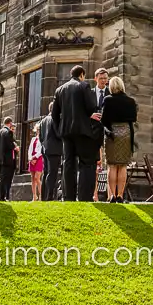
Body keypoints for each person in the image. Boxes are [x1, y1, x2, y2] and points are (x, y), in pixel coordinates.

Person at [52, 65, 103, 202]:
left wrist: (59, 131)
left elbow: (54, 115)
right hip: (82, 131)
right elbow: (91, 107)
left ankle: (68, 196)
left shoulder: (59, 90)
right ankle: (84, 196)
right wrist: (89, 116)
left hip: (66, 133)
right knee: (86, 163)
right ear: (82, 75)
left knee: (68, 163)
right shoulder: (83, 86)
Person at [101, 75, 138, 203]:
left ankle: (112, 195)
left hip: (112, 133)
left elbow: (103, 120)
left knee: (112, 165)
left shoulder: (108, 100)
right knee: (122, 165)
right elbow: (133, 118)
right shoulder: (131, 101)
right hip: (126, 132)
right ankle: (120, 195)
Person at [39, 101, 63, 201]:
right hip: (54, 149)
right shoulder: (54, 119)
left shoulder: (43, 121)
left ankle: (44, 196)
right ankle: (49, 196)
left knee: (46, 173)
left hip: (45, 149)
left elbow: (40, 137)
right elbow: (58, 134)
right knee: (52, 173)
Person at [0, 118, 17, 201]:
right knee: (4, 179)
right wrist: (15, 147)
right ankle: (2, 197)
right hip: (7, 160)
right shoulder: (8, 132)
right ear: (10, 123)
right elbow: (9, 146)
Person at [27, 128, 43, 201]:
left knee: (37, 178)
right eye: (38, 129)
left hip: (39, 158)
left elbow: (41, 150)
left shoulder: (43, 138)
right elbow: (30, 149)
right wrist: (30, 158)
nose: (38, 131)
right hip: (31, 159)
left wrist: (35, 157)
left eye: (40, 129)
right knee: (32, 178)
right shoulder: (33, 139)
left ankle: (41, 196)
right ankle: (34, 197)